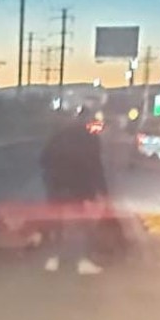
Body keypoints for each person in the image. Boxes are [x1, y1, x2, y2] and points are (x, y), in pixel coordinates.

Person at [40, 106, 107, 275]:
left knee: (57, 224)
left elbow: (44, 159)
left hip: (57, 185)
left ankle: (53, 259)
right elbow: (95, 167)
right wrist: (102, 191)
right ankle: (82, 261)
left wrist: (52, 176)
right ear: (87, 120)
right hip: (80, 187)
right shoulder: (91, 140)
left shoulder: (57, 137)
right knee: (81, 225)